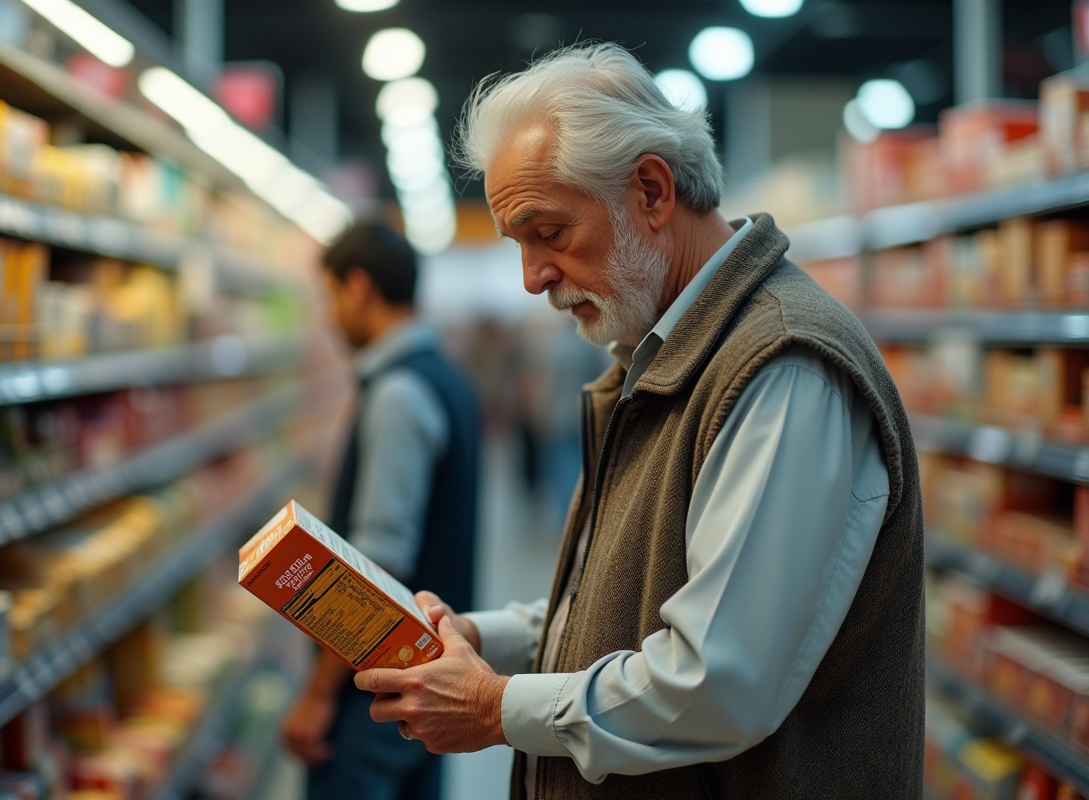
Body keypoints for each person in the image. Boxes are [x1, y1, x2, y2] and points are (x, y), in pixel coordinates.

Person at [352, 43, 925, 800]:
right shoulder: (663, 350)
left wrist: (495, 709)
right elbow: (633, 595)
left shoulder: (782, 366)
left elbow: (717, 680)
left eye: (549, 232)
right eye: (517, 245)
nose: (532, 278)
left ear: (652, 192)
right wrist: (488, 636)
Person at [281, 222, 480, 800]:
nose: (329, 316)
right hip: (425, 676)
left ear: (359, 287)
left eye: (330, 297)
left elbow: (376, 565)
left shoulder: (398, 393)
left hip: (375, 695)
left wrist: (319, 695)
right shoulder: (445, 376)